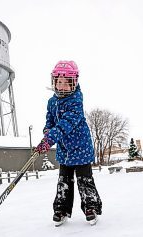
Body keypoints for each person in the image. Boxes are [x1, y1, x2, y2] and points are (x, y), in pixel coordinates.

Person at [35, 60, 102, 226]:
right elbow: (50, 121)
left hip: (81, 147)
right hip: (64, 149)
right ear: (54, 82)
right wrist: (46, 133)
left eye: (67, 82)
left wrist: (50, 139)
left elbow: (66, 123)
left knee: (84, 179)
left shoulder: (76, 101)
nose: (62, 86)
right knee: (64, 180)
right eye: (59, 82)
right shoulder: (52, 102)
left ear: (74, 83)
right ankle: (61, 209)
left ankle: (90, 207)